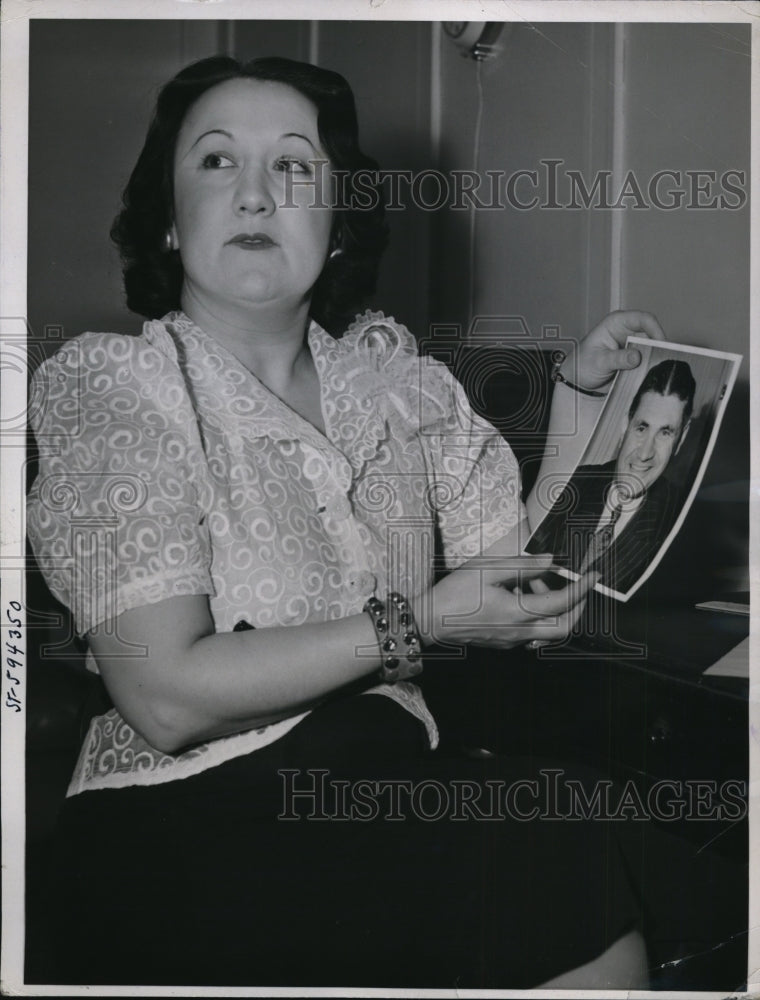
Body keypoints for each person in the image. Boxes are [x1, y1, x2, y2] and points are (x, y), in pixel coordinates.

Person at [26, 55, 666, 988]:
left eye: (293, 167)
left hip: (380, 788)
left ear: (334, 225)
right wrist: (428, 622)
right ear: (169, 219)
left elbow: (517, 574)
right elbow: (165, 700)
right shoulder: (116, 386)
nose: (254, 194)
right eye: (214, 163)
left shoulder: (400, 387)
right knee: (547, 842)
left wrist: (584, 398)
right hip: (185, 818)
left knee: (587, 826)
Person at [528, 359, 695, 594]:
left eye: (665, 433)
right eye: (641, 427)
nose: (645, 453)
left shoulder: (682, 526)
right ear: (625, 423)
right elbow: (524, 552)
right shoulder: (575, 481)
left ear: (682, 439)